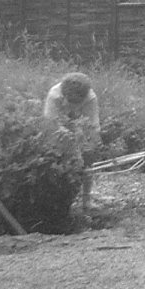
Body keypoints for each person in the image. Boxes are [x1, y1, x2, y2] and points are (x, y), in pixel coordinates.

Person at [43, 72, 102, 214]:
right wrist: (68, 136)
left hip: (78, 130)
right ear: (65, 95)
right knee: (57, 164)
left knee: (88, 160)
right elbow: (51, 123)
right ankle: (59, 202)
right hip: (58, 132)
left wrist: (91, 143)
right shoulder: (54, 96)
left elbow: (93, 124)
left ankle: (86, 200)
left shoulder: (90, 97)